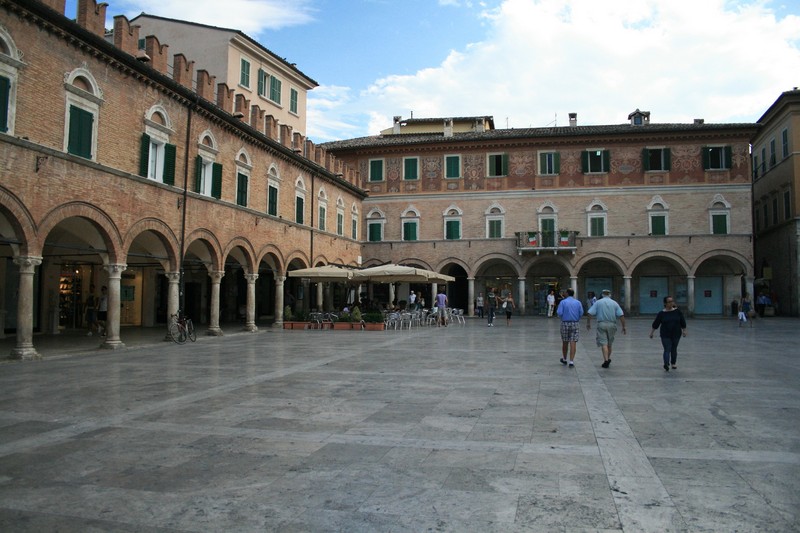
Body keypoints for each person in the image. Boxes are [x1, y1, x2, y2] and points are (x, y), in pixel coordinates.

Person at [586, 289, 626, 368]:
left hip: (601, 324)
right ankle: (608, 358)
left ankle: (606, 360)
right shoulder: (614, 303)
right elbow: (621, 315)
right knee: (609, 344)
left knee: (604, 343)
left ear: (603, 294)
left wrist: (588, 323)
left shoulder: (598, 302)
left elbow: (590, 313)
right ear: (610, 294)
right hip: (612, 324)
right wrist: (624, 326)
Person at [650, 295, 687, 371]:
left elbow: (682, 321)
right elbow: (656, 323)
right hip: (665, 334)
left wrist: (684, 330)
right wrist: (652, 332)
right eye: (669, 302)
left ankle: (673, 363)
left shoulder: (677, 312)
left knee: (674, 348)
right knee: (667, 348)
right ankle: (666, 363)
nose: (671, 303)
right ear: (665, 303)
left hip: (676, 333)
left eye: (672, 301)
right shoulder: (661, 313)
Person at [556, 288, 584, 368]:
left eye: (565, 292)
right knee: (573, 342)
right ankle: (571, 361)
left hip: (565, 323)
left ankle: (564, 359)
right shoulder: (578, 302)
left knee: (565, 341)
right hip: (575, 323)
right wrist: (576, 318)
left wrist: (563, 317)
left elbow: (559, 312)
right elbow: (581, 313)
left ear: (567, 293)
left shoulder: (563, 302)